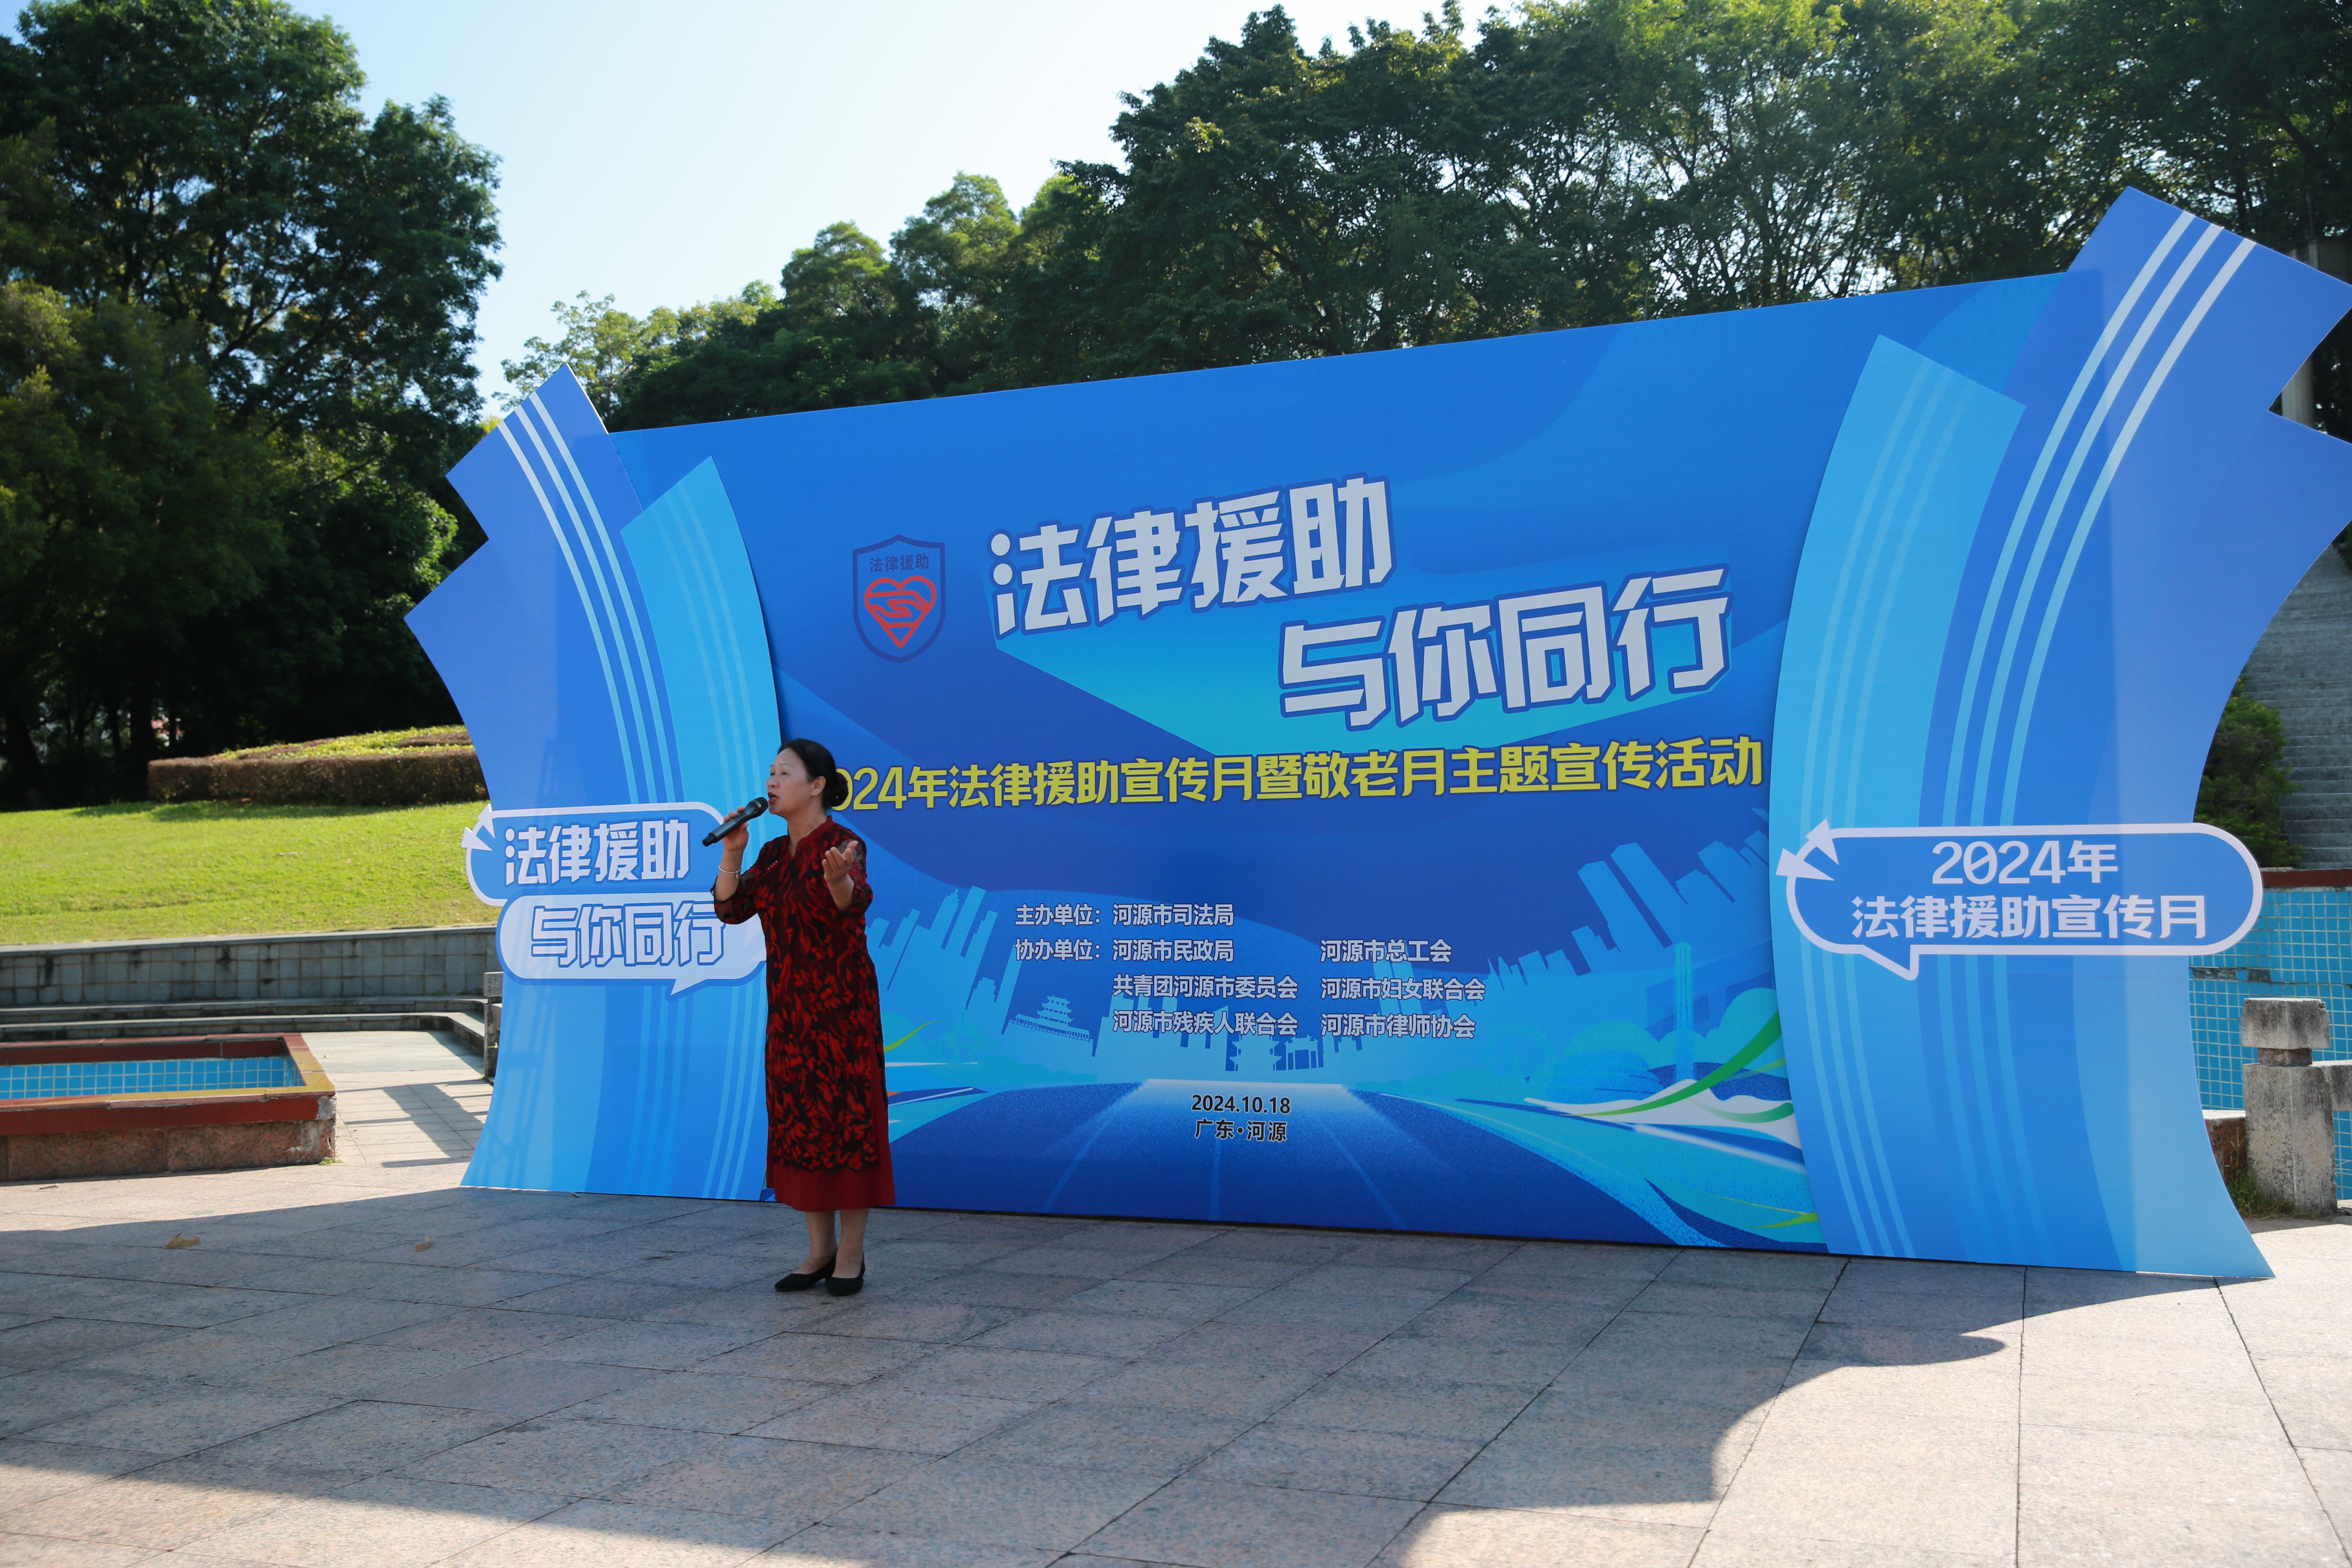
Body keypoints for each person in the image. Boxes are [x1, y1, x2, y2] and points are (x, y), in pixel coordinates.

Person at [713, 737, 891, 1297]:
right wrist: (732, 853)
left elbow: (852, 901)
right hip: (789, 1014)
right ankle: (819, 1251)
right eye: (770, 772)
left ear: (817, 786)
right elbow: (731, 910)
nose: (772, 782)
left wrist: (839, 879)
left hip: (842, 1014)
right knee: (802, 1125)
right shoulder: (771, 854)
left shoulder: (844, 844)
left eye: (785, 773)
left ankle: (852, 1255)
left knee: (847, 1127)